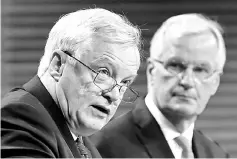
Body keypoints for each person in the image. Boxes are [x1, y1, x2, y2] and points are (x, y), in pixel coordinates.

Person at [1, 8, 142, 158]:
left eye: (125, 82)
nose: (114, 95)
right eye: (103, 73)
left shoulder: (86, 148)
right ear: (58, 65)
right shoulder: (21, 119)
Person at [91, 13, 230, 158]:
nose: (187, 81)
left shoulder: (217, 154)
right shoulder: (103, 147)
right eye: (176, 66)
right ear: (151, 70)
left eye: (201, 70)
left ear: (215, 82)